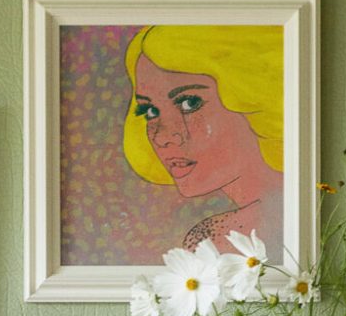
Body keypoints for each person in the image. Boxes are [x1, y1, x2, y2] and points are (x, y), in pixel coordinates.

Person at [121, 23, 284, 253]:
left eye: (190, 103)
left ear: (255, 99)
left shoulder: (219, 240)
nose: (162, 137)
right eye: (150, 111)